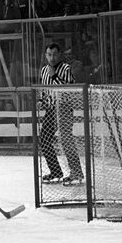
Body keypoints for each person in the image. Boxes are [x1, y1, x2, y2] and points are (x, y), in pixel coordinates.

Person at [39, 43, 83, 185]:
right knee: (44, 139)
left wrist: (55, 76)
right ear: (46, 55)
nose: (52, 58)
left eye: (55, 54)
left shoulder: (65, 68)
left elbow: (69, 89)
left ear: (60, 55)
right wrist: (41, 101)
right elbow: (44, 91)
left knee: (66, 140)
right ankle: (56, 171)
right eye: (49, 54)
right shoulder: (44, 70)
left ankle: (76, 173)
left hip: (64, 107)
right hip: (52, 109)